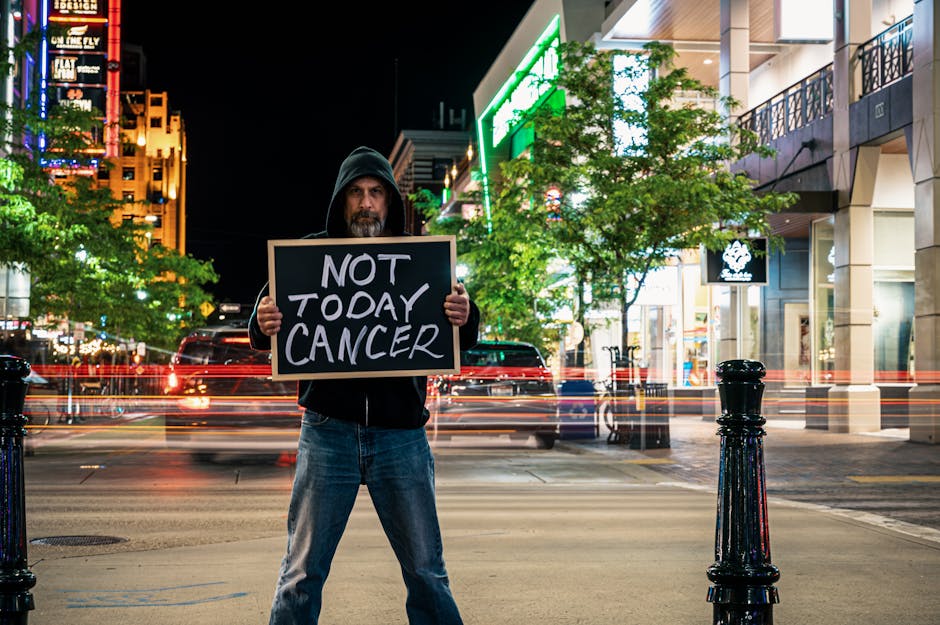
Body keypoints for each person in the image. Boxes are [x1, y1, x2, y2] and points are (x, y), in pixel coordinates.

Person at [250, 145, 479, 625]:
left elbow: (460, 323)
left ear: (389, 201)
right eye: (356, 193)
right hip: (327, 431)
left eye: (376, 192)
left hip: (401, 437)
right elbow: (266, 316)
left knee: (425, 572)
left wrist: (467, 313)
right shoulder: (310, 255)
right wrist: (262, 319)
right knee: (301, 572)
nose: (366, 203)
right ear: (341, 199)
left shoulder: (421, 257)